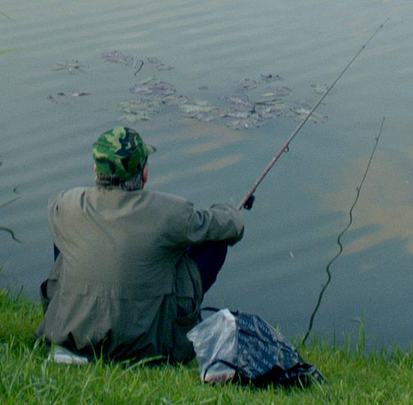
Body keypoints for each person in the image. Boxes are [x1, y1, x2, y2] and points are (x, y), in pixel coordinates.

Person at [36, 125, 253, 363]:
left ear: (96, 169)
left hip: (71, 338)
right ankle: (180, 331)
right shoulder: (170, 212)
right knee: (212, 239)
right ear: (144, 173)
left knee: (65, 232)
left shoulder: (66, 203)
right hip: (147, 346)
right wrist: (229, 209)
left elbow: (56, 214)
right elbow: (231, 227)